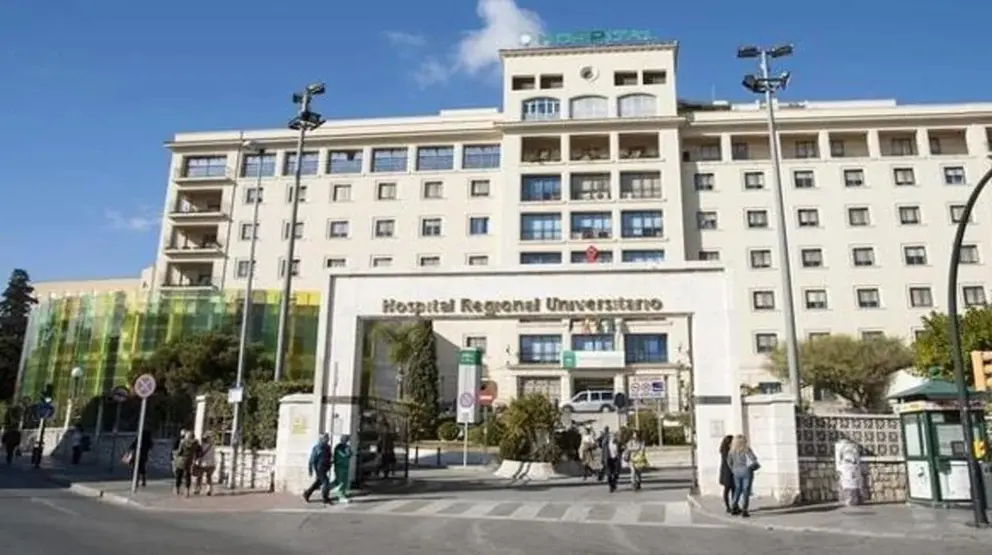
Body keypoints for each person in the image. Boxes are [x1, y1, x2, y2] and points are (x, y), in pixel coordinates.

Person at [726, 434, 759, 517]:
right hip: (746, 471)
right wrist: (752, 467)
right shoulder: (746, 450)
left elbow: (729, 462)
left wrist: (733, 469)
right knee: (746, 490)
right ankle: (744, 510)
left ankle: (734, 506)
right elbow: (754, 459)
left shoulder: (732, 451)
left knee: (737, 489)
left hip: (736, 471)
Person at [303, 433, 333, 504]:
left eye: (328, 438)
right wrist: (310, 469)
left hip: (325, 467)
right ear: (322, 439)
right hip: (319, 468)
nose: (328, 439)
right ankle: (325, 498)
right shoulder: (317, 447)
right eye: (326, 438)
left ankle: (307, 493)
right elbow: (312, 459)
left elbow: (329, 456)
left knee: (318, 482)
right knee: (326, 482)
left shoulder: (327, 447)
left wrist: (330, 463)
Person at [172, 430, 200, 497]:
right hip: (189, 460)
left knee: (179, 475)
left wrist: (174, 453)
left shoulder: (183, 442)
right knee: (188, 476)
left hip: (181, 460)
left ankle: (177, 489)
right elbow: (198, 451)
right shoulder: (195, 443)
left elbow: (179, 452)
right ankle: (187, 490)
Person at [329, 434, 354, 504]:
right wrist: (348, 452)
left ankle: (326, 488)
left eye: (346, 439)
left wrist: (348, 451)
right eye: (345, 439)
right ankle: (341, 497)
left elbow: (351, 454)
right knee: (341, 482)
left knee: (339, 481)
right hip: (340, 467)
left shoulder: (346, 447)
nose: (346, 440)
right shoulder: (339, 447)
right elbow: (344, 455)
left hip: (345, 467)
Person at [718, 435, 735, 513]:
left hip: (726, 472)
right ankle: (729, 507)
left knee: (730, 490)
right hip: (728, 472)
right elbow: (729, 462)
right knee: (728, 489)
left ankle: (733, 506)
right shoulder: (726, 451)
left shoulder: (724, 450)